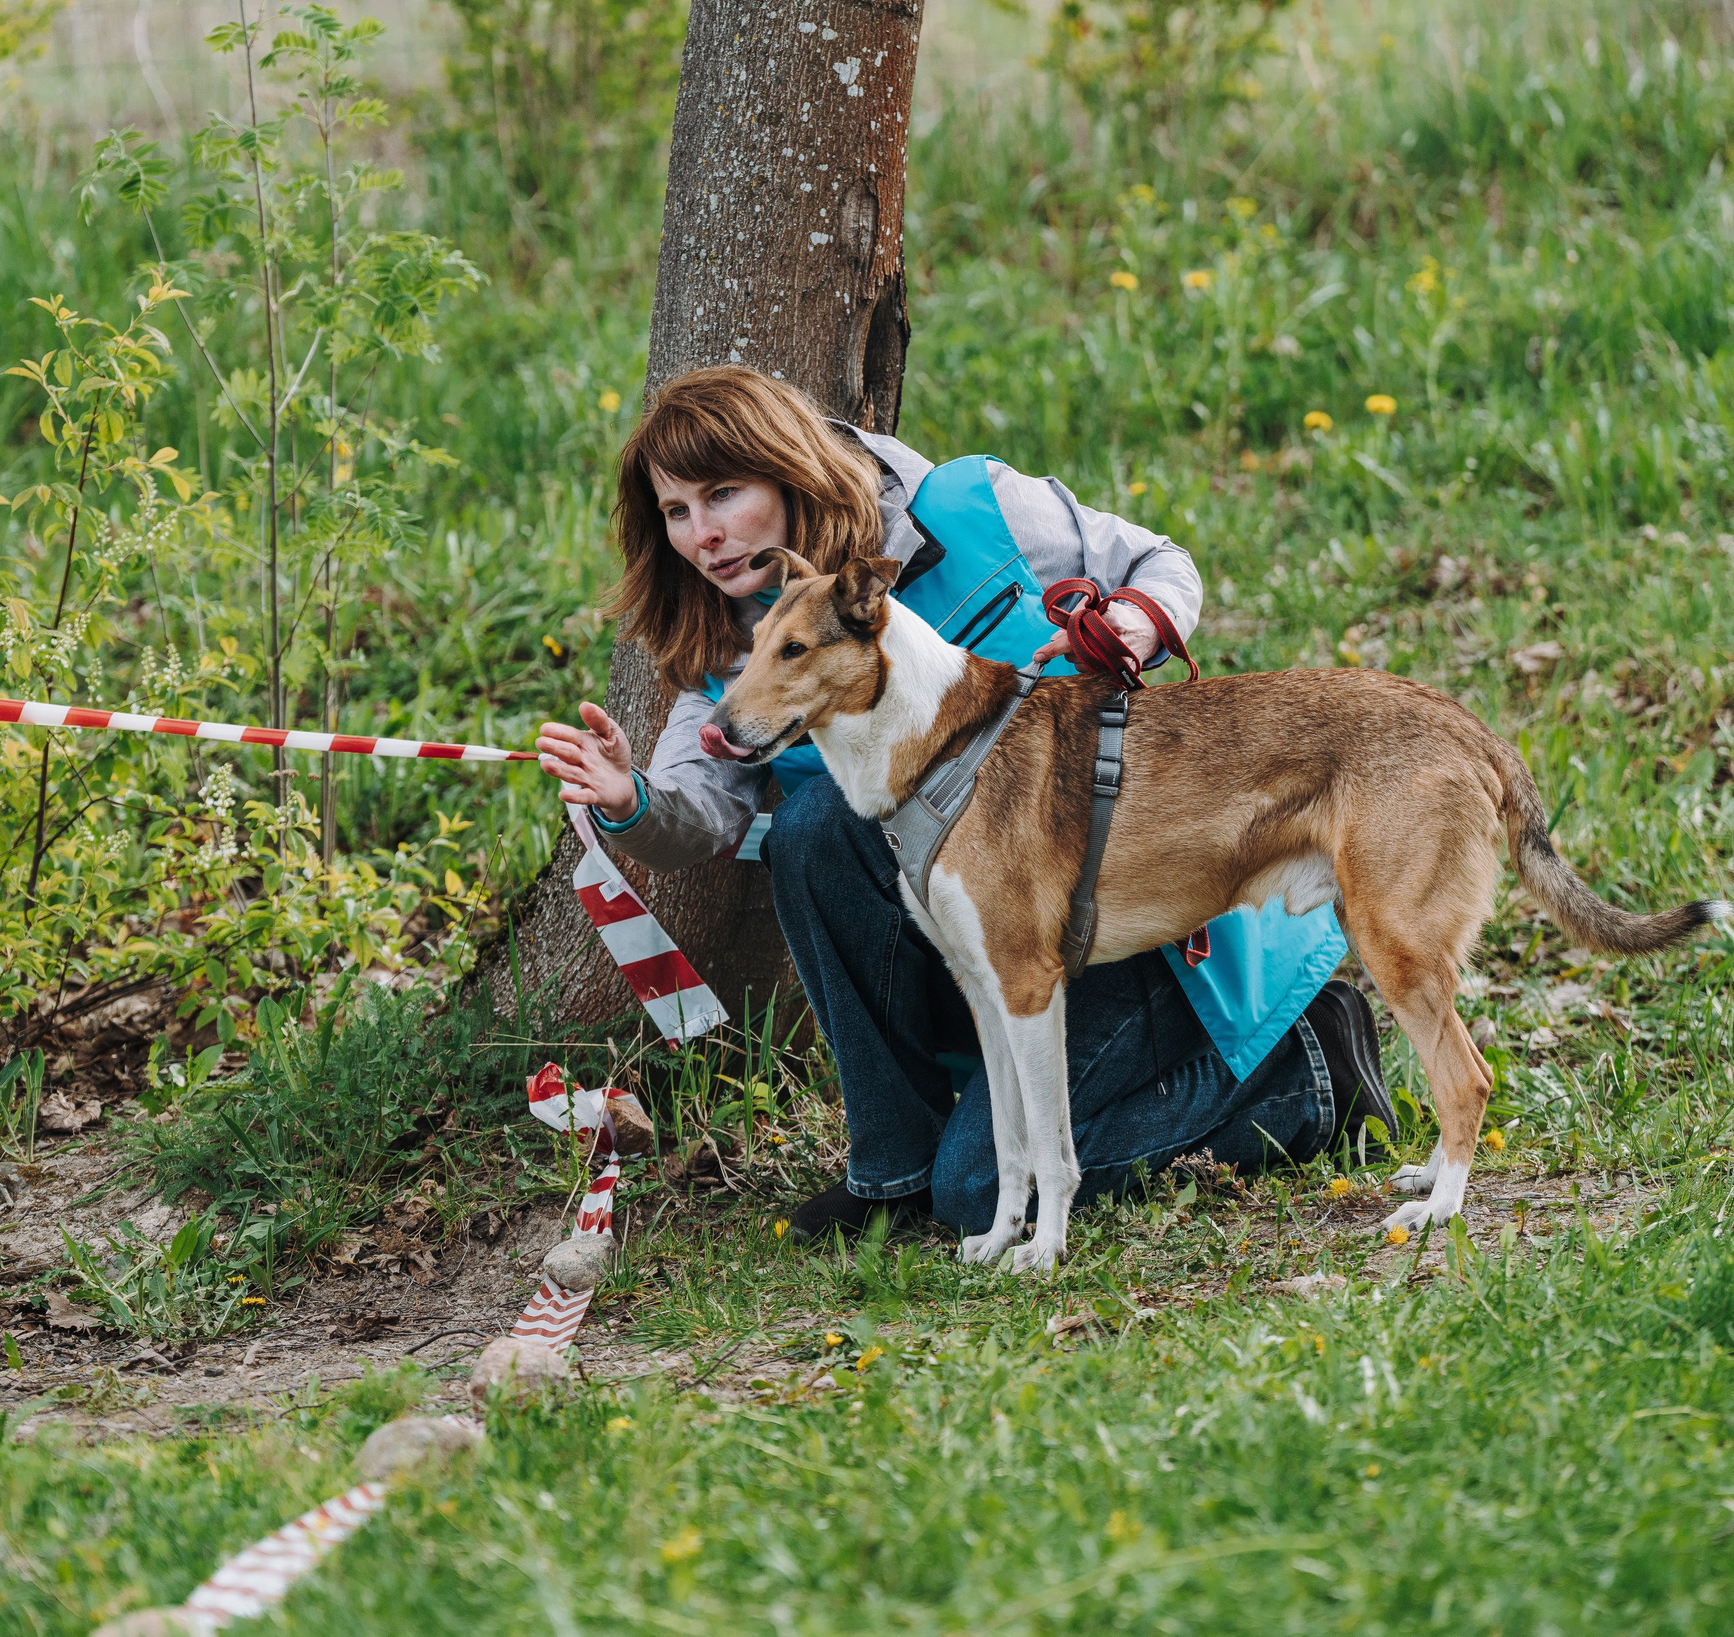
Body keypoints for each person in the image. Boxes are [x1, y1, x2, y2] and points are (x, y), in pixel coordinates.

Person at [536, 366, 1397, 1241]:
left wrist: (1136, 618)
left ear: (788, 468)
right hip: (987, 943)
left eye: (724, 494)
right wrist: (629, 799)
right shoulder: (738, 641)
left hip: (1144, 902)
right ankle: (893, 1167)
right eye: (675, 512)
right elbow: (703, 811)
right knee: (812, 828)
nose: (703, 535)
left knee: (980, 1195)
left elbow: (1158, 560)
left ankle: (1309, 1070)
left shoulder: (970, 511)